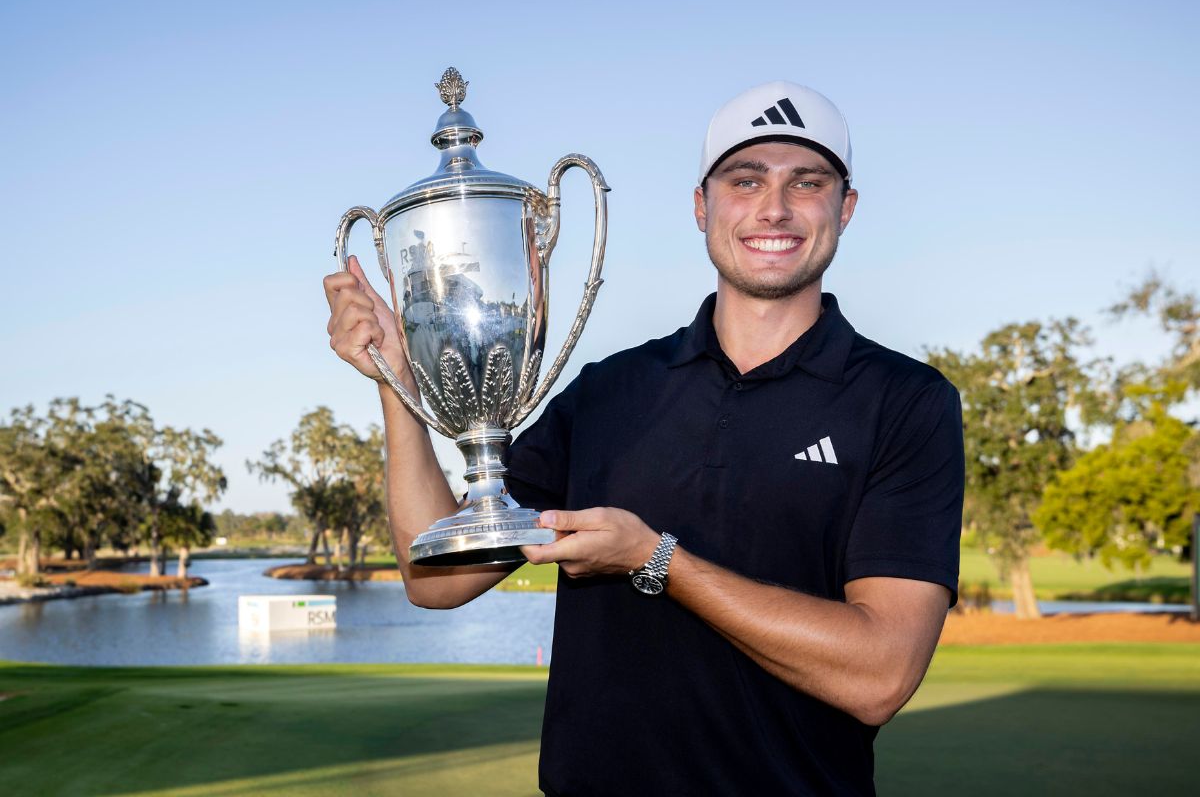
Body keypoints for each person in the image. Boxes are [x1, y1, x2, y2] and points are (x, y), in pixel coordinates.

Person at [324, 80, 964, 796]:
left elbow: (880, 675)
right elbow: (434, 578)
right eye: (745, 180)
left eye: (806, 183)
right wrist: (397, 379)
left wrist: (655, 559)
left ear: (844, 208)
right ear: (702, 206)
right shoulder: (610, 390)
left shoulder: (906, 402)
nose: (773, 208)